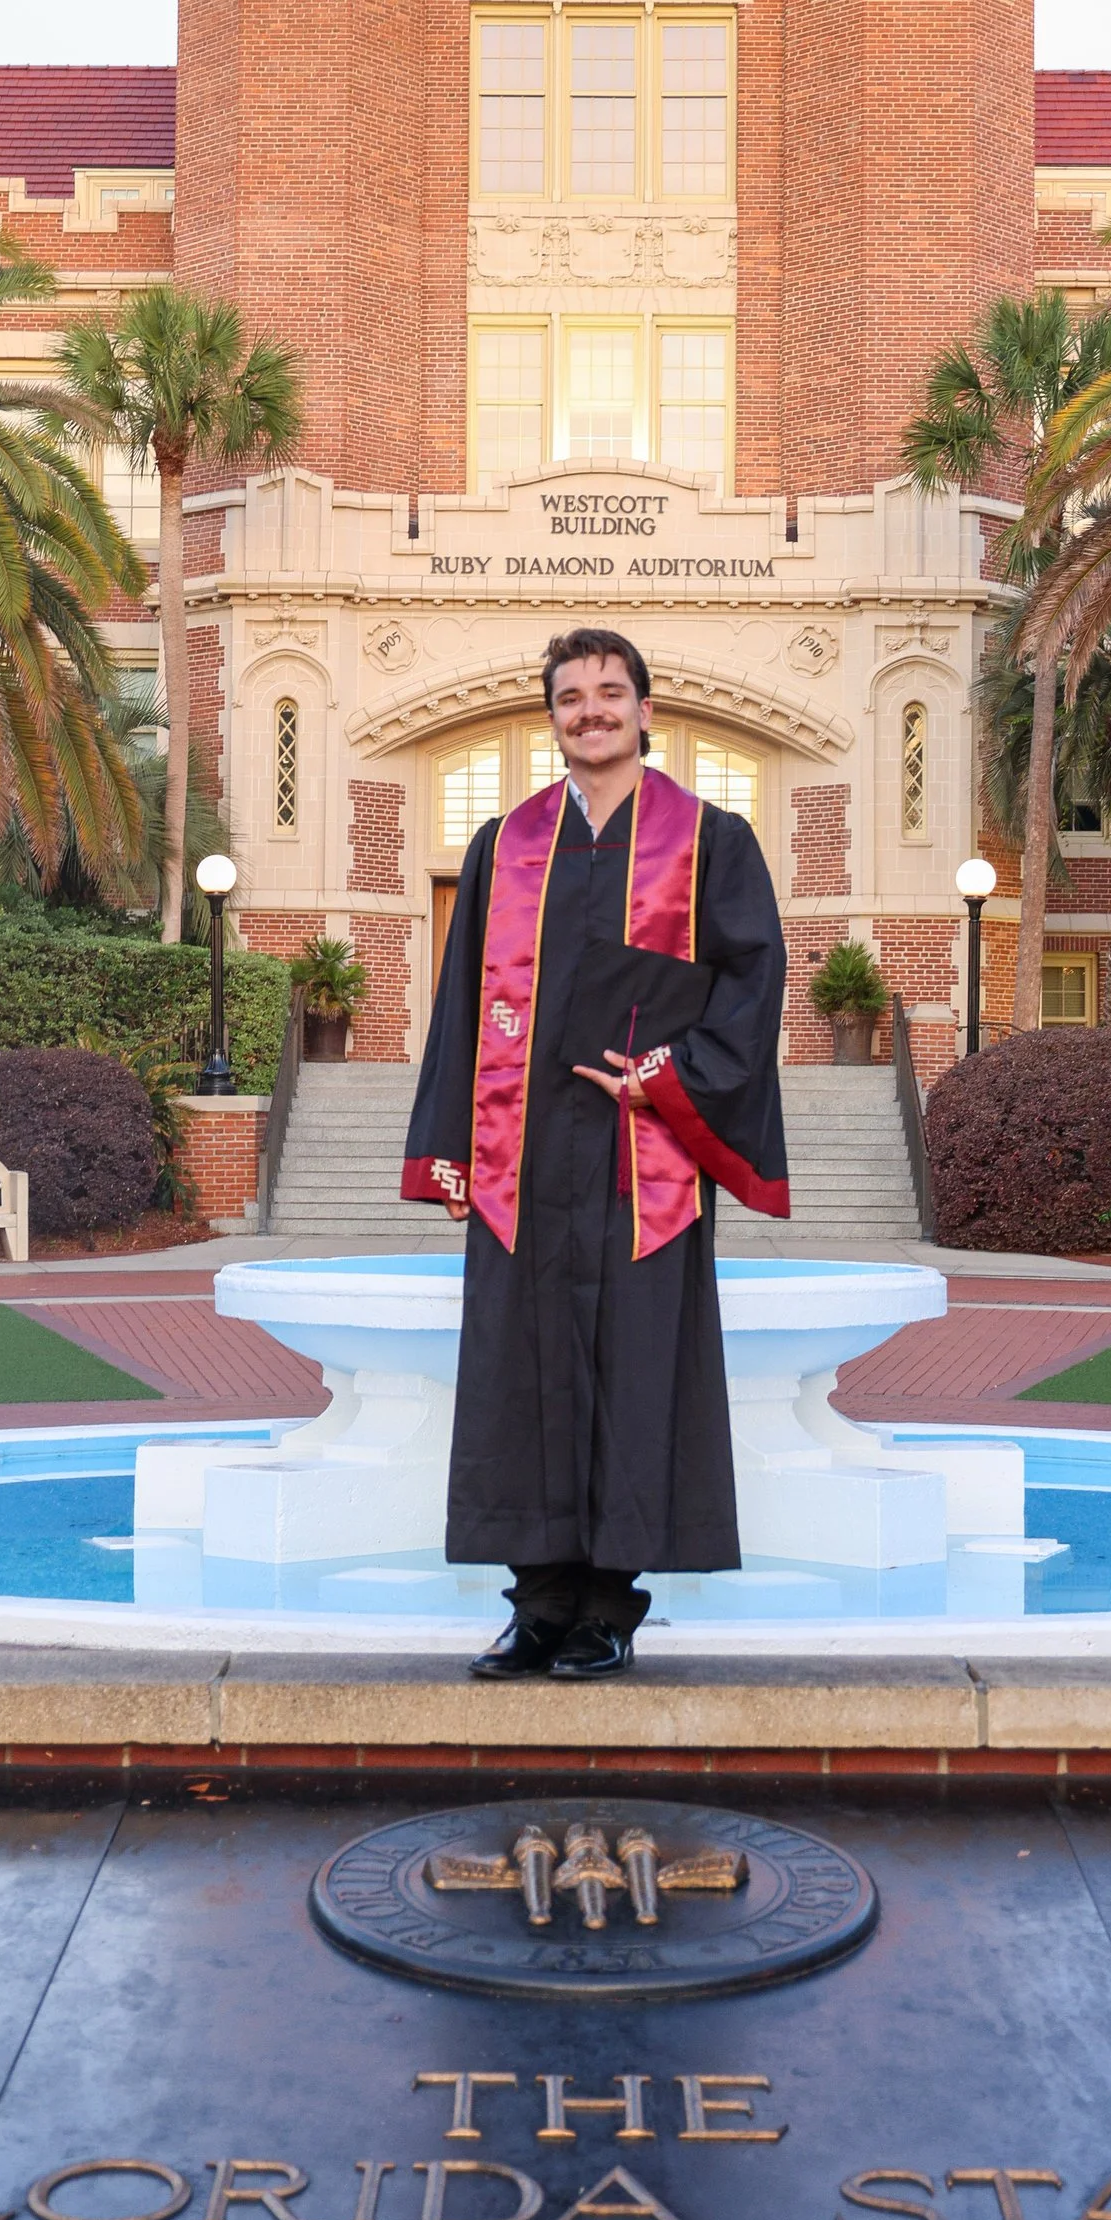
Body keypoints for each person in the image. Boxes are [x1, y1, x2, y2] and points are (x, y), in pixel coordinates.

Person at [401, 627, 790, 1679]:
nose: (590, 711)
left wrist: (666, 1072)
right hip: (521, 1161)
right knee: (519, 1375)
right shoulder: (504, 843)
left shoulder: (709, 839)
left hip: (639, 1153)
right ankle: (536, 1606)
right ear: (552, 718)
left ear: (647, 711)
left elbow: (751, 991)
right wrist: (448, 1148)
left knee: (633, 1369)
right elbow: (460, 1006)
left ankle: (609, 1607)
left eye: (610, 693)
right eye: (570, 697)